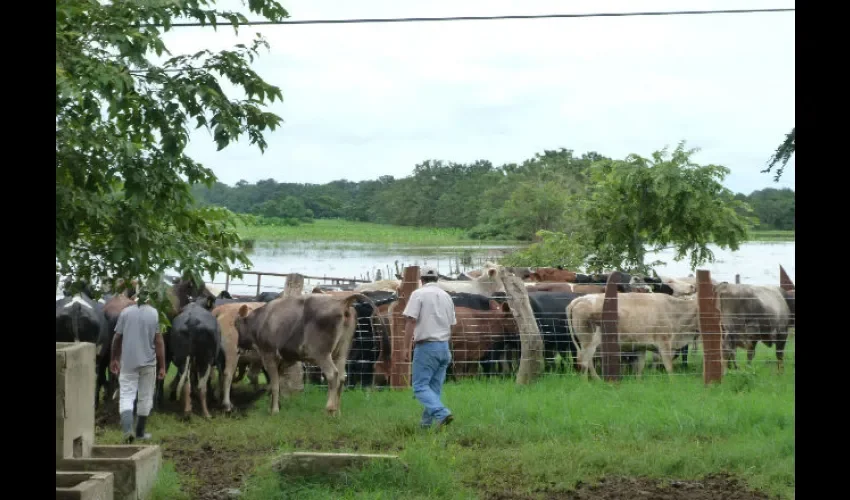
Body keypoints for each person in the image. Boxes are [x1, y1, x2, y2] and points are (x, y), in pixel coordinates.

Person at [403, 266, 456, 429]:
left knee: (419, 386)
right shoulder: (446, 296)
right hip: (443, 347)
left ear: (422, 279)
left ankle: (442, 413)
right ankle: (425, 425)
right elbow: (452, 324)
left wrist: (406, 347)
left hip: (426, 347)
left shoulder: (418, 294)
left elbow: (411, 321)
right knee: (433, 389)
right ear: (437, 279)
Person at [110, 289, 166, 443]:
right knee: (145, 396)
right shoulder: (155, 314)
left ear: (134, 299)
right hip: (148, 363)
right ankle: (140, 432)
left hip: (127, 363)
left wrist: (114, 358)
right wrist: (162, 366)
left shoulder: (125, 313)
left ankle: (128, 431)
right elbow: (159, 341)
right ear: (149, 300)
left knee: (127, 395)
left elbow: (117, 338)